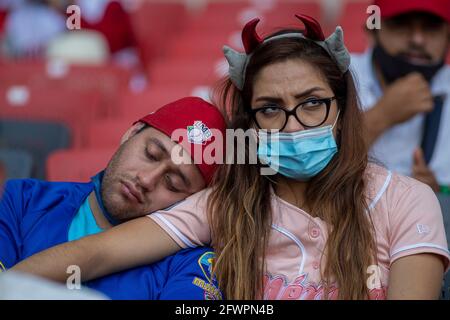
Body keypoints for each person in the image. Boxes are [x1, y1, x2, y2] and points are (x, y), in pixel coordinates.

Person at [11, 15, 450, 300]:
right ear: (250, 126)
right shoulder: (222, 203)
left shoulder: (407, 200)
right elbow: (95, 256)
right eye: (271, 110)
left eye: (312, 103)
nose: (293, 126)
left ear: (341, 109)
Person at [1, 97, 225, 300]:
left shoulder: (194, 264)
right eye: (150, 155)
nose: (146, 180)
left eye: (172, 183)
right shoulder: (21, 199)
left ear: (194, 202)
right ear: (131, 133)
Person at [351, 0, 450, 193]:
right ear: (371, 31)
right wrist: (382, 116)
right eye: (401, 24)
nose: (417, 39)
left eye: (432, 27)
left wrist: (437, 198)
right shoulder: (333, 75)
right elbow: (306, 167)